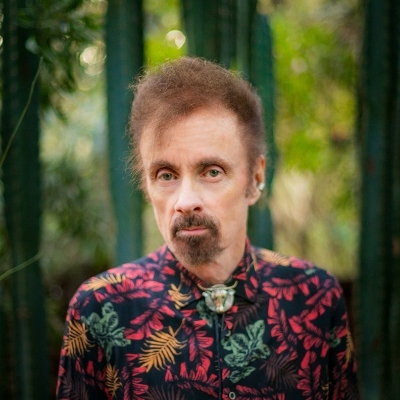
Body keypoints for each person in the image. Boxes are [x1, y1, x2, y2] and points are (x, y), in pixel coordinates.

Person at [56, 57, 359, 400]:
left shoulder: (314, 298)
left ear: (256, 177)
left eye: (212, 171)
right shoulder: (100, 308)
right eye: (166, 175)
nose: (186, 201)